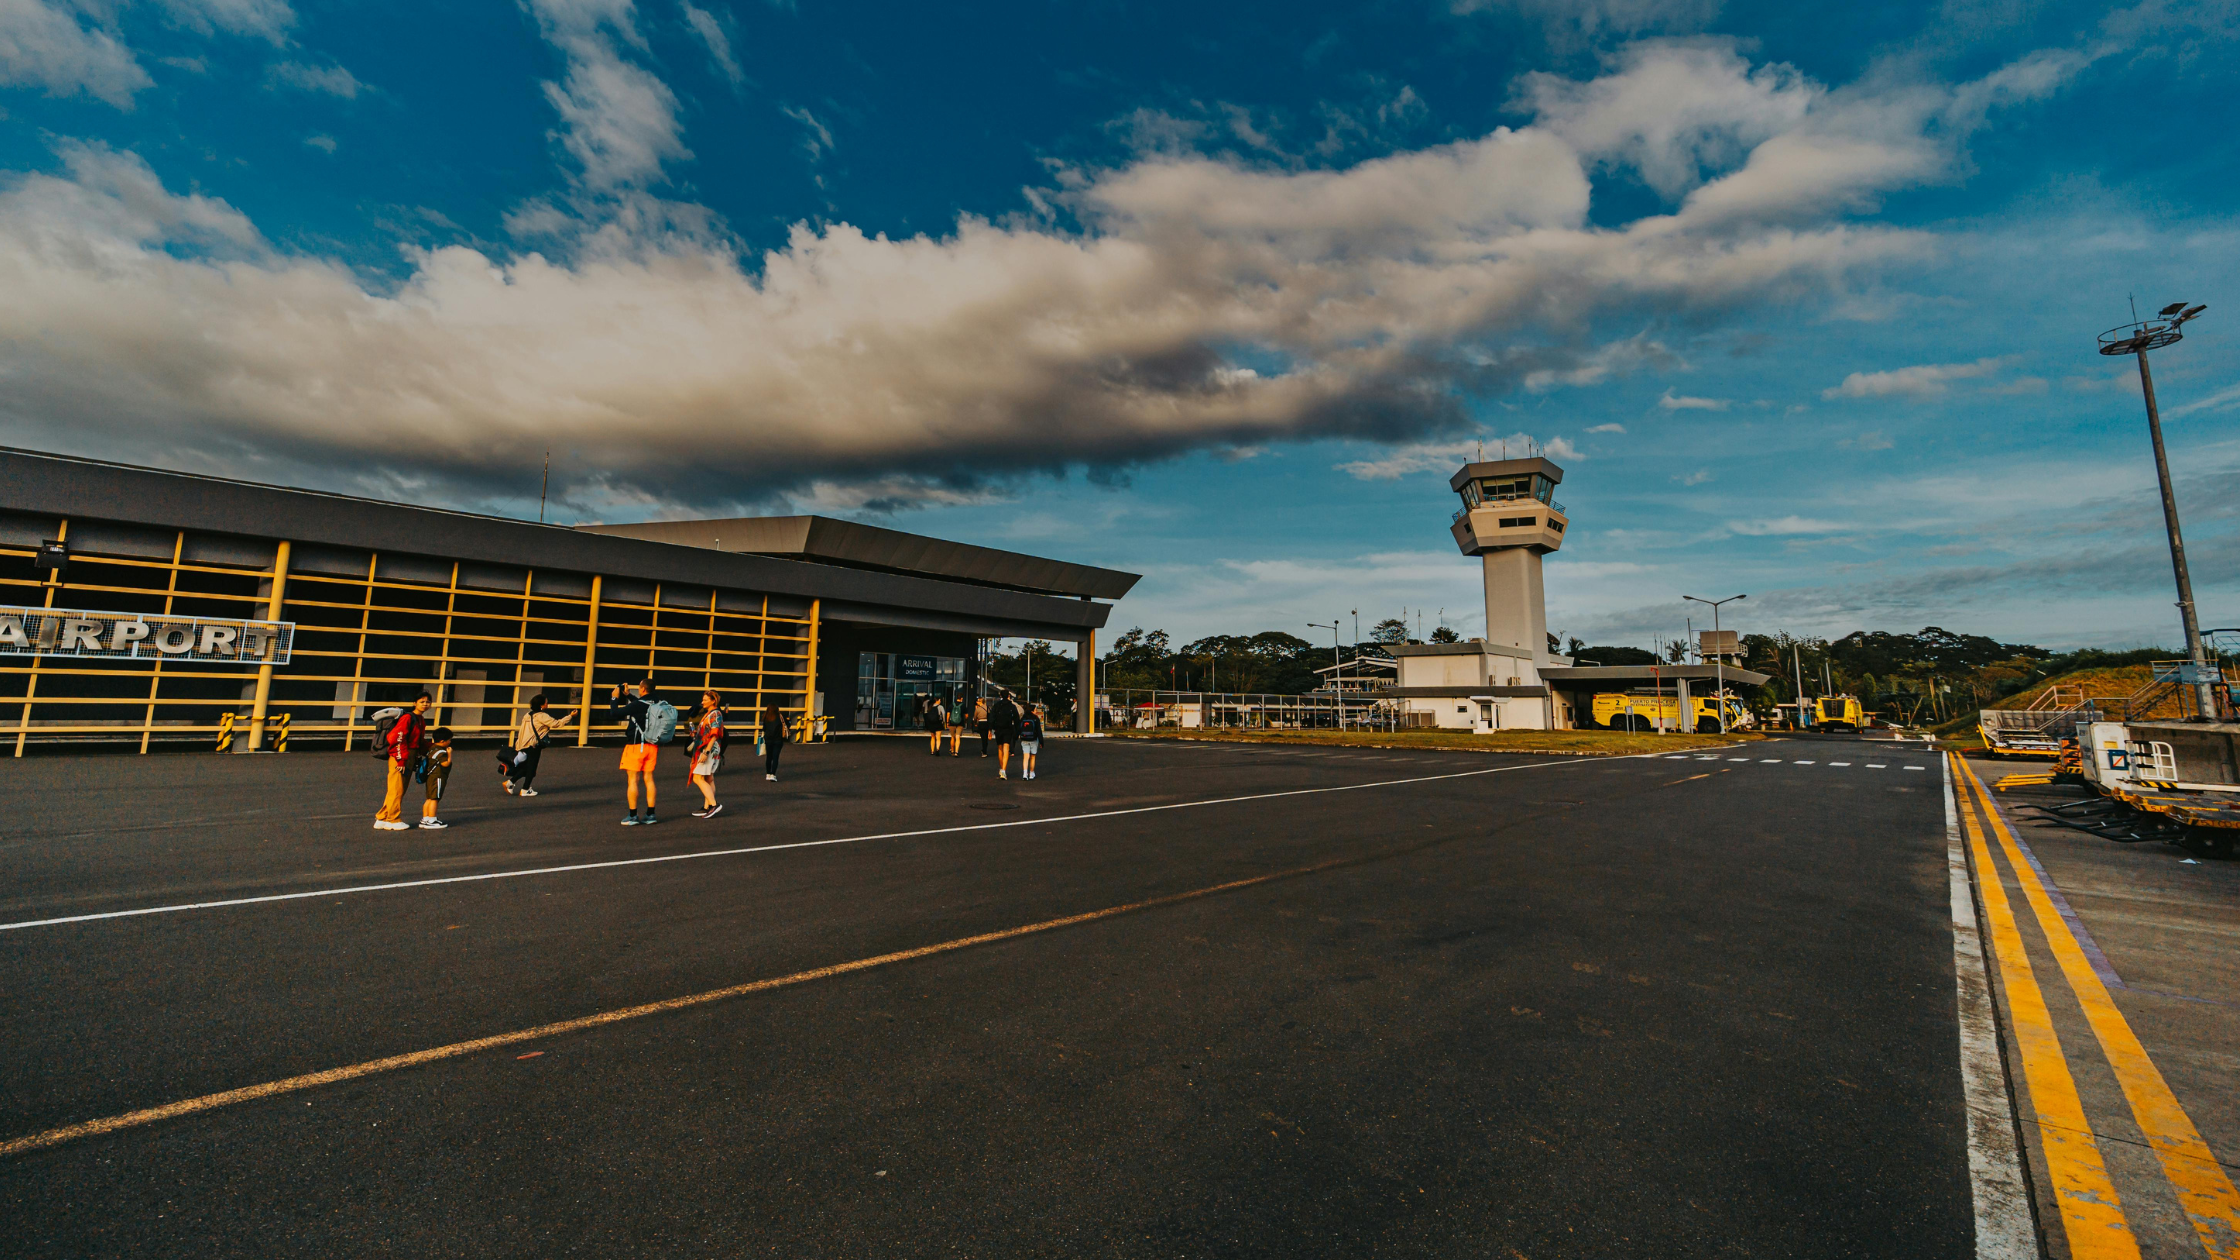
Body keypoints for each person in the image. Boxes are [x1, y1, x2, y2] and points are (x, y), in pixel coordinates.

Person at [610, 678, 666, 826]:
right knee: (649, 779)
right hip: (652, 745)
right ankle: (650, 814)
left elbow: (615, 713)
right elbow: (640, 705)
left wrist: (614, 697)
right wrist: (628, 695)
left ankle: (633, 815)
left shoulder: (638, 705)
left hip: (636, 746)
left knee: (633, 780)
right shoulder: (658, 703)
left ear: (642, 689)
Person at [374, 693, 431, 831]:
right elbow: (397, 738)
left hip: (410, 755)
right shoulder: (407, 718)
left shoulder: (420, 720)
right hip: (400, 755)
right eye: (422, 701)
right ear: (414, 703)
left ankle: (382, 817)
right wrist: (400, 760)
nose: (425, 704)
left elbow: (420, 741)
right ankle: (393, 819)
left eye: (428, 702)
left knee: (398, 788)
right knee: (397, 788)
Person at [501, 693, 575, 797]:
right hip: (533, 746)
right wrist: (570, 716)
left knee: (527, 767)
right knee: (531, 768)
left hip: (523, 744)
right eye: (546, 703)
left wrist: (518, 745)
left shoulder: (527, 715)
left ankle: (511, 783)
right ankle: (525, 789)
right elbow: (556, 724)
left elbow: (522, 730)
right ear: (541, 705)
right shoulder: (542, 716)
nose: (547, 704)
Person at [688, 690, 726, 818]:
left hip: (708, 750)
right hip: (709, 750)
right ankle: (707, 807)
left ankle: (714, 804)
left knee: (697, 777)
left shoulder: (715, 714)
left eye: (705, 700)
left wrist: (706, 751)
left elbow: (715, 734)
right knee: (708, 778)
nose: (702, 702)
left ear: (713, 701)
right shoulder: (711, 714)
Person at [419, 727, 454, 829]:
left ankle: (425, 818)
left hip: (430, 777)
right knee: (435, 798)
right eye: (449, 740)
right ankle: (432, 819)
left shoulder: (432, 749)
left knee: (429, 798)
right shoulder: (441, 753)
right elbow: (445, 764)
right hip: (438, 777)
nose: (450, 742)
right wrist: (449, 754)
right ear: (443, 741)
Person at [992, 689, 1023, 780]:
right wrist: (1018, 730)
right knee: (1006, 748)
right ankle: (1004, 770)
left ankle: (1002, 768)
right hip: (1008, 729)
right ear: (1009, 696)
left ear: (1001, 696)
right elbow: (1017, 719)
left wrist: (992, 728)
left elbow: (992, 717)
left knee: (1000, 748)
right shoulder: (1012, 706)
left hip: (998, 729)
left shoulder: (997, 706)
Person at [760, 701, 787, 781]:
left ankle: (768, 774)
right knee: (775, 757)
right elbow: (787, 724)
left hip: (768, 739)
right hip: (778, 740)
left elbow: (764, 728)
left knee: (769, 757)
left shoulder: (766, 717)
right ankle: (773, 774)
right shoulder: (780, 716)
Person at [1019, 702, 1045, 781]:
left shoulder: (1023, 718)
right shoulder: (1035, 718)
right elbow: (1039, 731)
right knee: (1033, 756)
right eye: (1035, 709)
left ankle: (1024, 773)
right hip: (1033, 739)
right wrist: (1041, 742)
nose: (1036, 711)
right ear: (1032, 711)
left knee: (1025, 757)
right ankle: (1031, 773)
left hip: (1024, 739)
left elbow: (1019, 728)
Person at [946, 692, 969, 756]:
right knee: (958, 737)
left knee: (953, 737)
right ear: (962, 698)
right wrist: (965, 721)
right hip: (960, 723)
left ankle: (952, 750)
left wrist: (947, 722)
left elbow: (948, 714)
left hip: (952, 723)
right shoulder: (963, 705)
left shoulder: (951, 705)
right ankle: (956, 752)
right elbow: (967, 715)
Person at [973, 694, 992, 758]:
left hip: (981, 723)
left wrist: (975, 723)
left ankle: (984, 751)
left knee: (983, 737)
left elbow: (975, 717)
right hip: (987, 723)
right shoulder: (988, 708)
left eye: (978, 701)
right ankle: (985, 750)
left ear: (981, 701)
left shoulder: (978, 709)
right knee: (985, 738)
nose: (977, 702)